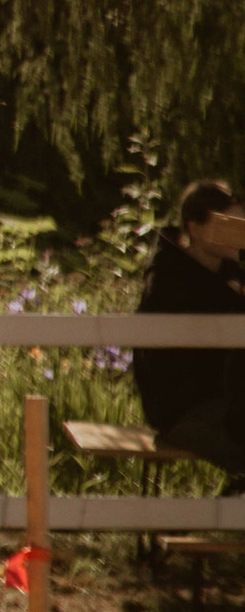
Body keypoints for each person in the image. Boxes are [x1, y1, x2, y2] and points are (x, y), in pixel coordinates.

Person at [133, 179, 245, 484]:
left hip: (227, 405)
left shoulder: (229, 274)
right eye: (228, 224)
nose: (239, 233)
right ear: (195, 228)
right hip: (182, 411)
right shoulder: (169, 281)